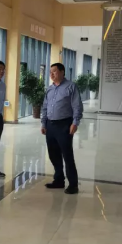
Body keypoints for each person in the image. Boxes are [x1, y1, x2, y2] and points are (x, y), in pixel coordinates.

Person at [41, 62, 83, 194]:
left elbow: (77, 106)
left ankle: (73, 184)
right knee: (53, 154)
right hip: (50, 125)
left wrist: (75, 123)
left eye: (54, 71)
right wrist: (43, 123)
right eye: (50, 72)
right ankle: (59, 180)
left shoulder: (71, 87)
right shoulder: (49, 89)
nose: (51, 74)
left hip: (64, 125)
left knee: (67, 155)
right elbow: (45, 107)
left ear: (62, 72)